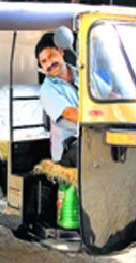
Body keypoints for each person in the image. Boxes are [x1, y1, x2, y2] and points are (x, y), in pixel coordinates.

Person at [35, 32, 111, 167]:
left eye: (50, 57)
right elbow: (71, 113)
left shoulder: (83, 74)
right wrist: (106, 117)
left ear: (60, 51)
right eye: (43, 62)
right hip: (73, 145)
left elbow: (110, 95)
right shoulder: (47, 90)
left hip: (99, 136)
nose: (48, 65)